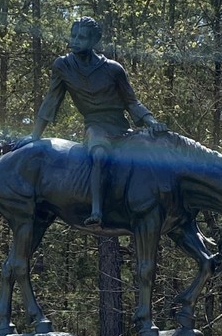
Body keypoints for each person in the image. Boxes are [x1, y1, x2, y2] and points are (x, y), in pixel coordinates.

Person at [16, 17, 167, 226]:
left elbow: (132, 102)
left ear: (94, 40)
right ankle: (97, 210)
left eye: (82, 37)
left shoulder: (113, 69)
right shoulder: (63, 66)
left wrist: (152, 122)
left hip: (121, 127)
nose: (75, 41)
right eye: (73, 35)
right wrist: (35, 136)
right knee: (99, 153)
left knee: (152, 154)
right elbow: (51, 102)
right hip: (95, 126)